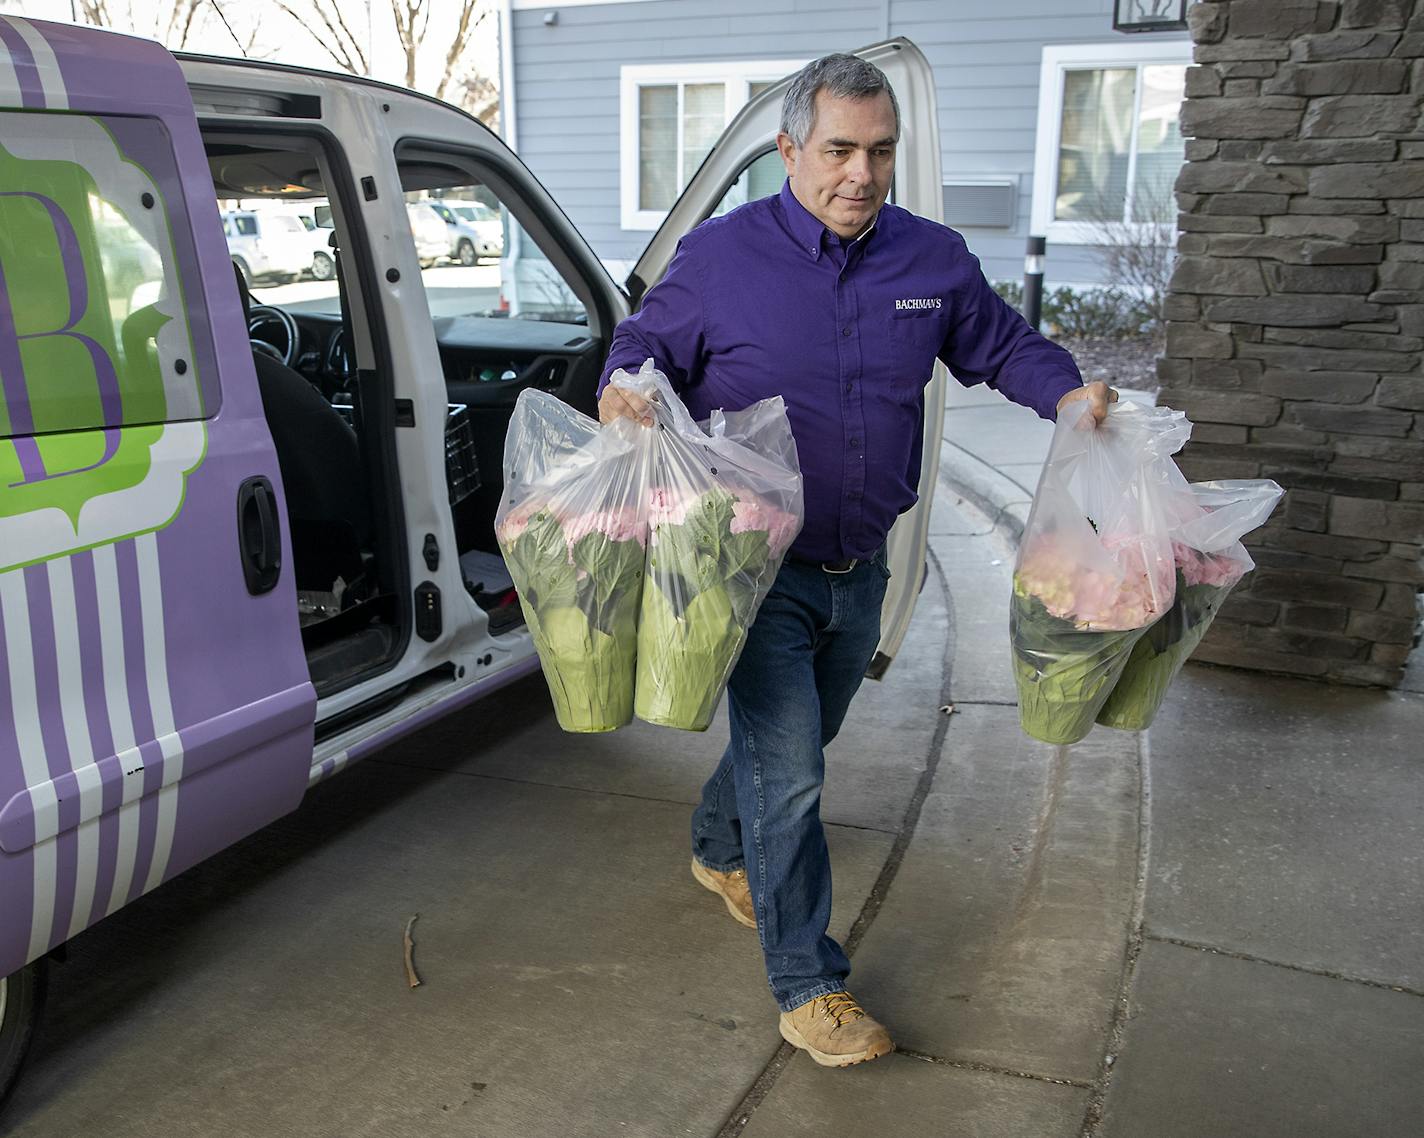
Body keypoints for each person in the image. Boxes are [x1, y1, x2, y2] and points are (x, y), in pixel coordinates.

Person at [597, 53, 1115, 1068]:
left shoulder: (930, 261)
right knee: (788, 776)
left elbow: (1000, 344)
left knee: (796, 746)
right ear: (790, 149)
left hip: (859, 568)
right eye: (837, 149)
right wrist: (624, 387)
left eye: (878, 152)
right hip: (750, 568)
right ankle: (810, 988)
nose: (860, 173)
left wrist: (1065, 395)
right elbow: (642, 345)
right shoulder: (720, 256)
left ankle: (714, 846)